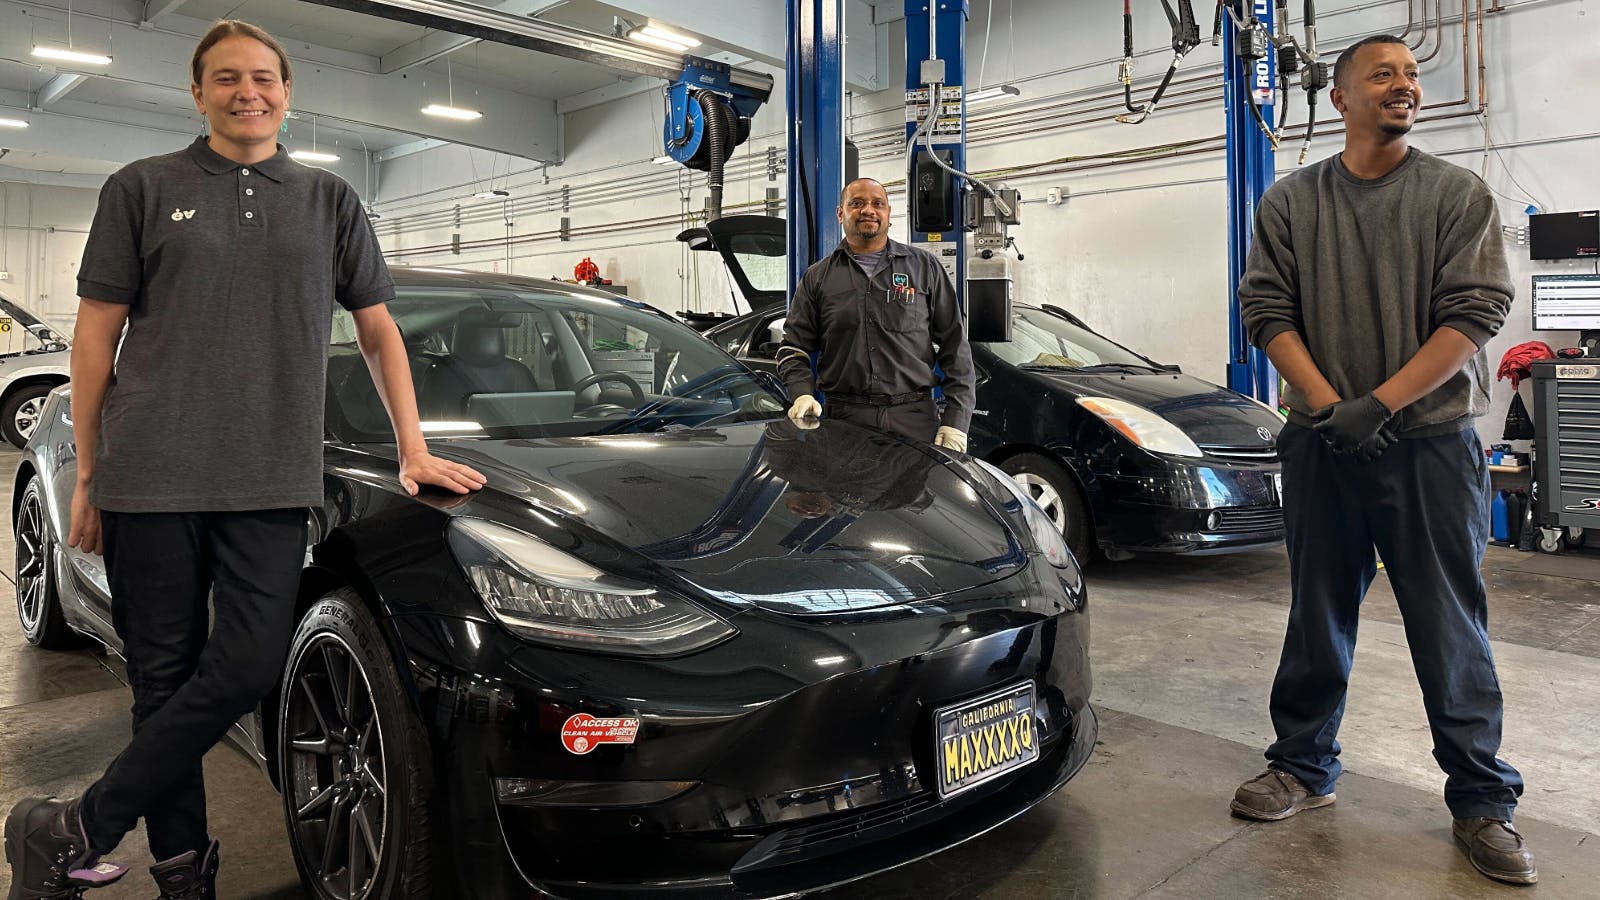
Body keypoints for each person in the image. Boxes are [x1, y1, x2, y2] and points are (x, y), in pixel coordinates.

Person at [3, 20, 486, 900]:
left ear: (287, 93)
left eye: (263, 77)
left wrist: (413, 446)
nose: (247, 91)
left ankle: (72, 827)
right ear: (198, 93)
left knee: (250, 665)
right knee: (163, 681)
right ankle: (185, 877)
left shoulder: (329, 200)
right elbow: (94, 340)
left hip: (269, 476)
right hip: (153, 476)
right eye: (226, 78)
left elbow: (379, 332)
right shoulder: (142, 188)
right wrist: (94, 478)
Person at [1233, 35, 1533, 885]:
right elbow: (1266, 309)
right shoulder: (1292, 200)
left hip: (1430, 446)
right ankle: (1301, 765)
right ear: (1340, 98)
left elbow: (1475, 311)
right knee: (1317, 612)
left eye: (1410, 74)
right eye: (1384, 75)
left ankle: (1483, 802)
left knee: (1449, 624)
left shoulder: (1455, 193)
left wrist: (1381, 403)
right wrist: (1331, 408)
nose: (1406, 86)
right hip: (1323, 442)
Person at [776, 177, 975, 450]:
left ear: (888, 213)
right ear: (840, 213)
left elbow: (956, 345)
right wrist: (801, 395)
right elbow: (793, 347)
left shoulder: (923, 267)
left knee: (914, 494)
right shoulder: (818, 277)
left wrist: (956, 420)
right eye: (856, 203)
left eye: (877, 204)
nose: (868, 210)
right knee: (843, 494)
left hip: (914, 420)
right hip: (844, 423)